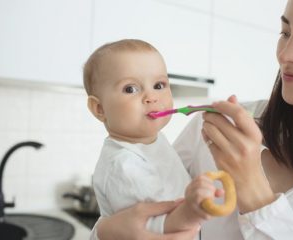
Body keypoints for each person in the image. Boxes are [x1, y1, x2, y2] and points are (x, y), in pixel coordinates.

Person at [91, 0, 293, 239]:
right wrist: (105, 232)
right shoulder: (215, 125)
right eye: (285, 32)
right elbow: (142, 218)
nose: (286, 55)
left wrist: (254, 191)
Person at [83, 39, 218, 240]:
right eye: (130, 89)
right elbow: (149, 226)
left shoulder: (153, 141)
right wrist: (192, 210)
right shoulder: (123, 164)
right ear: (99, 109)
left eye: (159, 85)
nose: (151, 97)